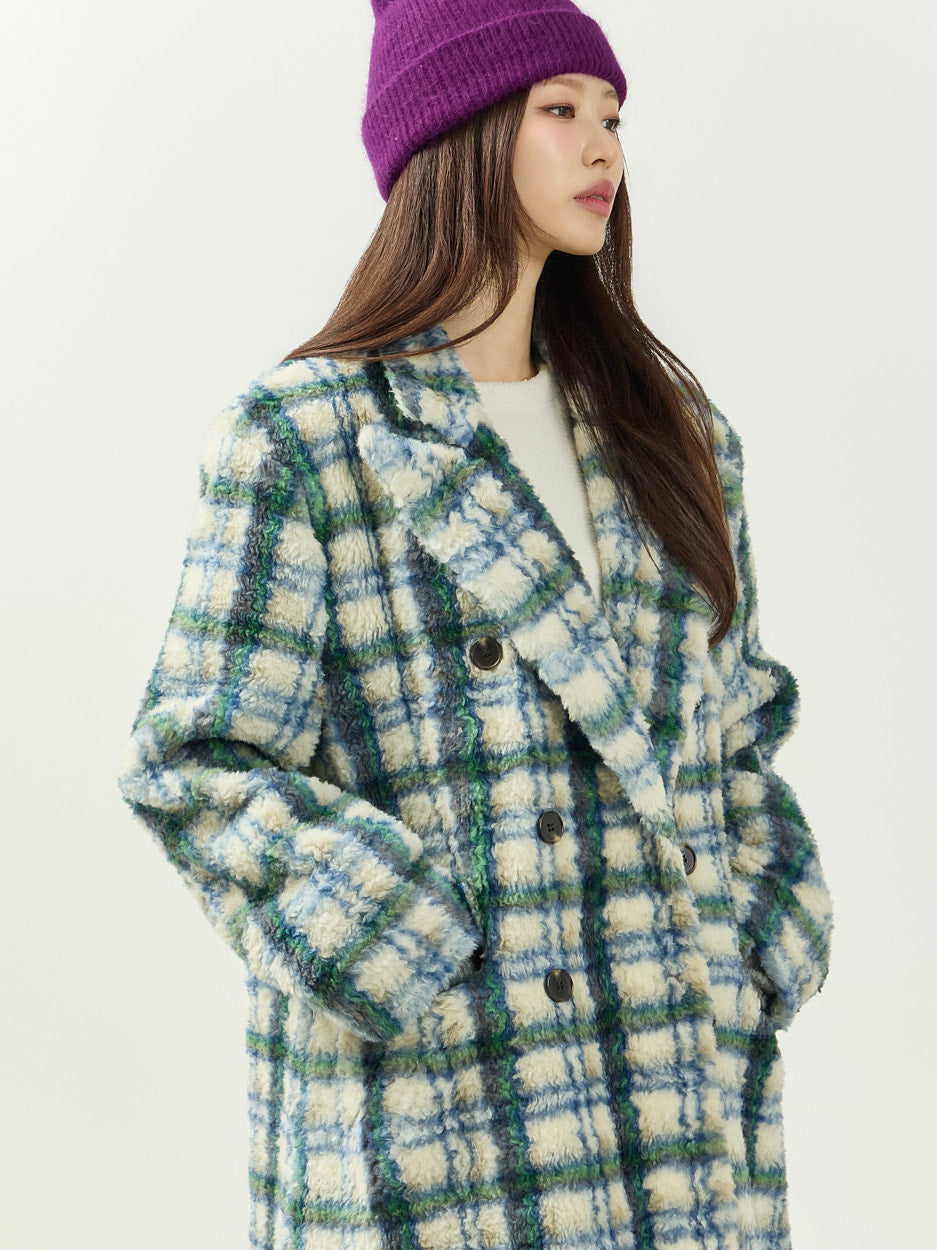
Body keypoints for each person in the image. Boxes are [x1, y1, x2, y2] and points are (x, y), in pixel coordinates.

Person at [116, 2, 834, 1247]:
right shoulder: (306, 438)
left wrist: (764, 928)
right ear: (454, 134)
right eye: (560, 110)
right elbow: (197, 759)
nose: (603, 147)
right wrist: (410, 944)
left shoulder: (672, 437)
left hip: (681, 1102)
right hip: (439, 1111)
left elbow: (735, 723)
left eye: (611, 116)